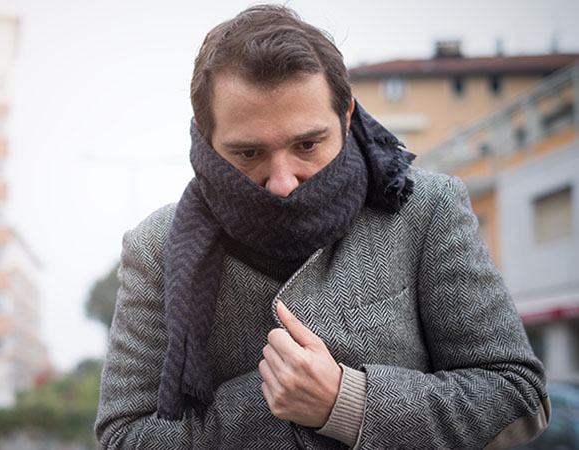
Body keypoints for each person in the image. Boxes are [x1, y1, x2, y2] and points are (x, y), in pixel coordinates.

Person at [94, 4, 550, 450]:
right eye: (248, 153)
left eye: (307, 144)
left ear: (347, 118)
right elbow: (122, 437)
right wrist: (264, 406)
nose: (282, 183)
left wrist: (346, 402)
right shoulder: (155, 246)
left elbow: (517, 396)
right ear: (204, 140)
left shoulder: (426, 209)